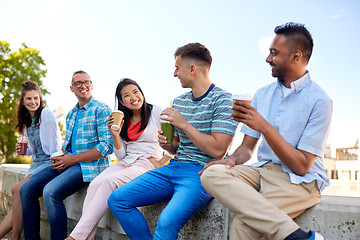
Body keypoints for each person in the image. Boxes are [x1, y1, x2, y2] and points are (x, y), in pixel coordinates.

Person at [200, 22, 332, 240]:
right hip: (261, 171)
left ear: (296, 56)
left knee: (244, 227)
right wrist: (231, 160)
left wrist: (263, 126)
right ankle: (297, 236)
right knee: (211, 173)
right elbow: (246, 150)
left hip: (300, 182)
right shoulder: (262, 94)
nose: (268, 59)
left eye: (274, 53)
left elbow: (301, 166)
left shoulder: (320, 101)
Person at [107, 42, 238, 240]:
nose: (174, 74)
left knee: (166, 223)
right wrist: (168, 145)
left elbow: (218, 150)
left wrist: (184, 124)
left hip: (202, 172)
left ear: (192, 69)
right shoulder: (179, 101)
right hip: (173, 167)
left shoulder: (223, 100)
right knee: (117, 200)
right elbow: (178, 147)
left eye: (177, 67)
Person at [65, 78, 171, 240]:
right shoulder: (122, 118)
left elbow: (176, 139)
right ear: (122, 101)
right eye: (127, 95)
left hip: (146, 163)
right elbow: (121, 155)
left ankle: (75, 237)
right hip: (126, 162)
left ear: (141, 93)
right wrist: (115, 134)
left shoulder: (156, 111)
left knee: (110, 182)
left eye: (136, 92)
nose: (133, 97)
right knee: (94, 185)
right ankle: (86, 238)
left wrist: (162, 162)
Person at [19, 70, 113, 240]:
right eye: (78, 83)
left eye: (86, 82)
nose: (83, 86)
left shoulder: (102, 109)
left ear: (92, 86)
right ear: (72, 88)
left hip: (89, 166)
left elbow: (107, 147)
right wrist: (61, 156)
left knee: (50, 192)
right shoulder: (71, 114)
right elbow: (67, 147)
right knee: (26, 189)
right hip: (69, 162)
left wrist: (72, 159)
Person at [0, 81, 62, 240]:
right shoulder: (27, 120)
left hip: (49, 162)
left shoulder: (46, 114)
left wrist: (57, 164)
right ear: (23, 101)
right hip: (35, 164)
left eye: (36, 98)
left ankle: (14, 237)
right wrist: (23, 150)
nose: (33, 102)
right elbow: (33, 151)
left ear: (40, 98)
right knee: (18, 204)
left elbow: (55, 145)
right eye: (29, 99)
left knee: (16, 190)